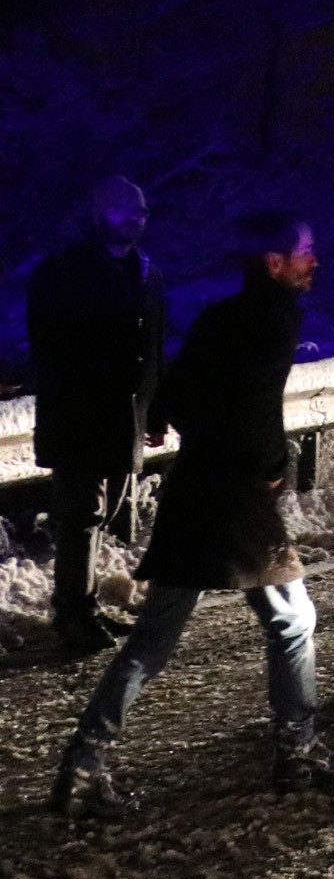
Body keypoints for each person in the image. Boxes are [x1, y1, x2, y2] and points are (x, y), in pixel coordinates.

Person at [53, 212, 334, 817]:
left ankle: (82, 767)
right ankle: (296, 750)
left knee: (154, 640)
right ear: (274, 262)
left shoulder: (221, 315)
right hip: (236, 501)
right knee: (293, 622)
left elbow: (176, 393)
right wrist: (271, 464)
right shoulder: (275, 317)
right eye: (305, 252)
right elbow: (255, 407)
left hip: (197, 492)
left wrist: (189, 430)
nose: (313, 262)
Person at [24, 176, 169, 652]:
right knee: (82, 514)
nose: (138, 219)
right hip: (80, 413)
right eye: (128, 209)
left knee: (99, 516)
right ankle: (73, 613)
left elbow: (152, 348)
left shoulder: (143, 270)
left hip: (122, 415)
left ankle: (81, 607)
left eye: (142, 211)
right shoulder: (66, 270)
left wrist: (153, 411)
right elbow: (51, 344)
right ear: (100, 213)